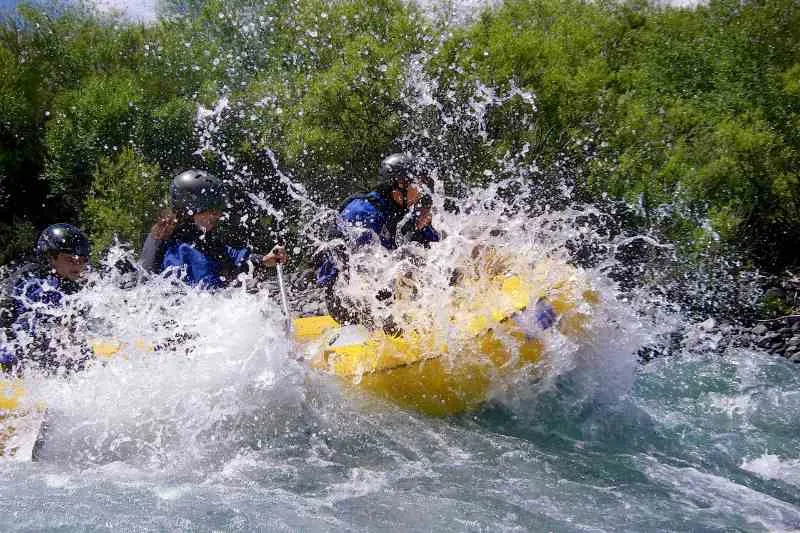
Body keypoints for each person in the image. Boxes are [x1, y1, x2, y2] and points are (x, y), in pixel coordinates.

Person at [315, 153, 440, 326]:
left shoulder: (399, 209)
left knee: (423, 260)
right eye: (417, 184)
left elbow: (435, 249)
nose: (421, 190)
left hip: (378, 289)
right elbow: (363, 271)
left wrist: (423, 227)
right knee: (405, 263)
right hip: (343, 299)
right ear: (400, 184)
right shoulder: (363, 213)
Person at [143, 169, 287, 289]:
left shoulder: (195, 235)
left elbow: (226, 254)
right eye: (211, 209)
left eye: (218, 209)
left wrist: (262, 259)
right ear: (190, 210)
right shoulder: (178, 248)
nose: (218, 215)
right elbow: (207, 289)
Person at [0, 224, 93, 374]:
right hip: (10, 354)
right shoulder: (31, 282)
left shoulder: (69, 285)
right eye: (70, 259)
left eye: (82, 260)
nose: (78, 264)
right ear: (50, 257)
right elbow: (17, 329)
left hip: (37, 348)